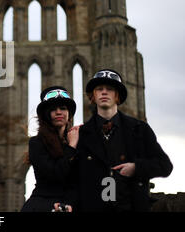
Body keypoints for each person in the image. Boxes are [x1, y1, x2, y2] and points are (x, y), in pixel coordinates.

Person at [76, 69, 173, 211]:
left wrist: (136, 168)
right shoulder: (82, 134)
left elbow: (165, 166)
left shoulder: (140, 129)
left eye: (110, 89)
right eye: (99, 89)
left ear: (117, 96)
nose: (104, 92)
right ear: (93, 96)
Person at [21, 86, 80, 212]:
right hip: (42, 205)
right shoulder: (36, 143)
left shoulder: (77, 141)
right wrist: (72, 147)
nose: (58, 112)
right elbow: (55, 174)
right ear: (46, 115)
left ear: (69, 113)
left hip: (70, 205)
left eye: (63, 108)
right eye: (53, 109)